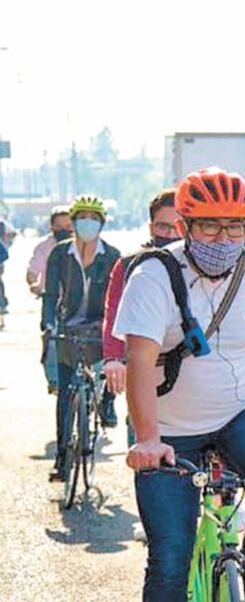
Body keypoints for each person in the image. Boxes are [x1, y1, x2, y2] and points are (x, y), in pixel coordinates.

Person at [115, 167, 245, 602]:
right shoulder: (153, 276)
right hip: (170, 431)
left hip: (239, 410)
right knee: (170, 562)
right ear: (184, 227)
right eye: (211, 227)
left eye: (235, 227)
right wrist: (148, 437)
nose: (224, 238)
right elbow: (138, 359)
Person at [42, 195, 121, 481]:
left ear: (101, 223)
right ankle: (62, 458)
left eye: (94, 218)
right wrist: (48, 323)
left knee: (112, 367)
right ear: (73, 223)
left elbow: (119, 298)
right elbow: (51, 293)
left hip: (102, 326)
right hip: (68, 326)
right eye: (82, 217)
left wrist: (114, 328)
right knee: (65, 393)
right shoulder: (59, 254)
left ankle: (108, 401)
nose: (88, 223)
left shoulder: (112, 256)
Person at [100, 189, 183, 401]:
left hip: (193, 366)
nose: (171, 234)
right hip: (145, 367)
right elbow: (114, 312)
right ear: (150, 227)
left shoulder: (204, 262)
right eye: (162, 226)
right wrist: (113, 358)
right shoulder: (129, 264)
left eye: (178, 227)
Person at [28, 206, 73, 393]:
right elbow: (33, 271)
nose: (63, 229)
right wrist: (34, 284)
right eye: (59, 226)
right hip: (51, 298)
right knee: (52, 337)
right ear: (51, 227)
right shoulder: (44, 247)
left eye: (68, 225)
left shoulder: (86, 245)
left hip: (79, 299)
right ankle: (54, 380)